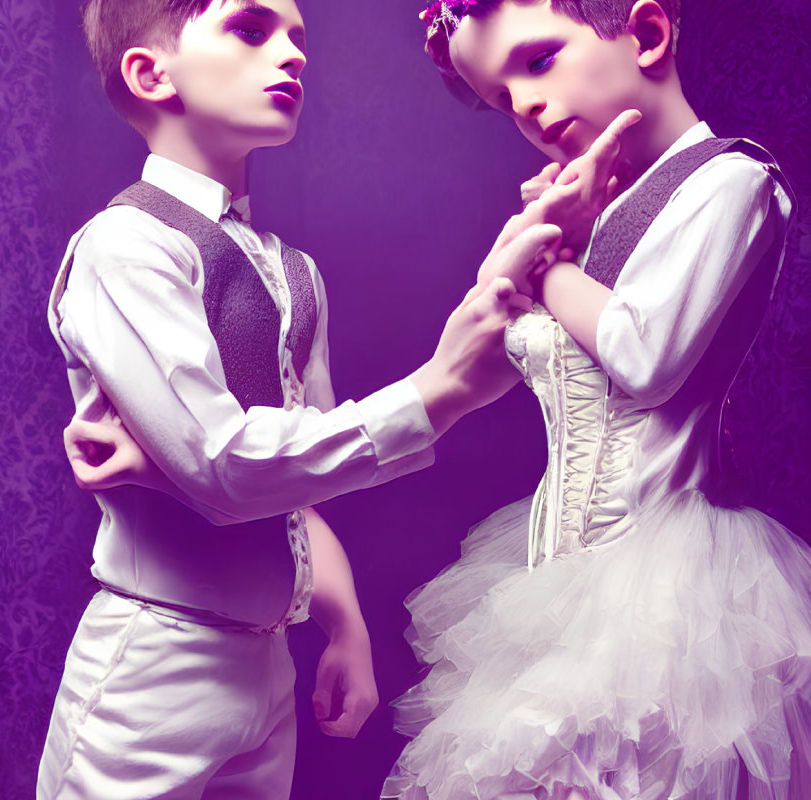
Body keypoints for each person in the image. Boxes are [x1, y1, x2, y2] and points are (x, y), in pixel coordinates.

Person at [38, 1, 607, 797]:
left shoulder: (293, 271)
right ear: (149, 72)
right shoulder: (127, 246)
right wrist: (436, 390)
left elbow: (300, 475)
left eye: (299, 37)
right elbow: (225, 468)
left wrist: (343, 624)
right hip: (155, 663)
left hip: (268, 665)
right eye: (251, 28)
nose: (293, 54)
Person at [376, 1, 810, 798]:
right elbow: (483, 354)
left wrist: (545, 268)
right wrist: (540, 238)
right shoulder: (595, 214)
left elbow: (646, 358)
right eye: (504, 98)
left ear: (646, 34)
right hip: (553, 588)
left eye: (538, 62)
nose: (527, 107)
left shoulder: (734, 181)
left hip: (669, 594)